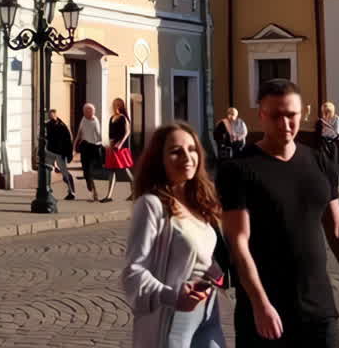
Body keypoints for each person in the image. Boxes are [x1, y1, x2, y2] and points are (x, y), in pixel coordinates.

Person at [217, 79, 339, 347]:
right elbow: (238, 242)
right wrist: (260, 303)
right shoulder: (238, 169)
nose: (285, 124)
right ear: (261, 115)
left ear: (304, 113)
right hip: (266, 312)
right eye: (276, 116)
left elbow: (337, 229)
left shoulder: (319, 162)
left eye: (291, 115)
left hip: (319, 309)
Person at [122, 122, 227, 348]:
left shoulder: (198, 203)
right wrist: (173, 296)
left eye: (191, 149)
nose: (187, 157)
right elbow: (133, 272)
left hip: (208, 313)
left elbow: (199, 254)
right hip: (172, 319)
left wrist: (215, 270)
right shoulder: (152, 205)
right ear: (159, 160)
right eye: (175, 152)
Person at [103, 98, 136, 202]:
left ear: (119, 106)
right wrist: (108, 144)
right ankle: (109, 196)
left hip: (120, 148)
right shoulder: (112, 117)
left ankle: (135, 192)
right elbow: (110, 134)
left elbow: (127, 132)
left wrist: (120, 143)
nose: (112, 106)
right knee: (111, 170)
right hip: (112, 147)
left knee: (125, 170)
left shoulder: (123, 118)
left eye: (114, 104)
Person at [74, 103, 104, 202]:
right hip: (85, 146)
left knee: (89, 171)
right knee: (85, 169)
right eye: (86, 111)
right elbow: (79, 132)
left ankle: (94, 193)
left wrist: (101, 144)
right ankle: (89, 185)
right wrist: (74, 146)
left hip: (93, 147)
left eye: (90, 111)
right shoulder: (83, 119)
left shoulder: (95, 121)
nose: (88, 113)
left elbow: (99, 135)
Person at [46, 108, 76, 200]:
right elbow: (44, 137)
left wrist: (69, 154)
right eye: (50, 117)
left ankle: (71, 191)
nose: (51, 119)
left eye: (52, 117)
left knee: (64, 173)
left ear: (55, 115)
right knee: (47, 170)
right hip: (50, 151)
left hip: (60, 152)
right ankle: (47, 190)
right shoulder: (47, 125)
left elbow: (68, 141)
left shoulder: (62, 126)